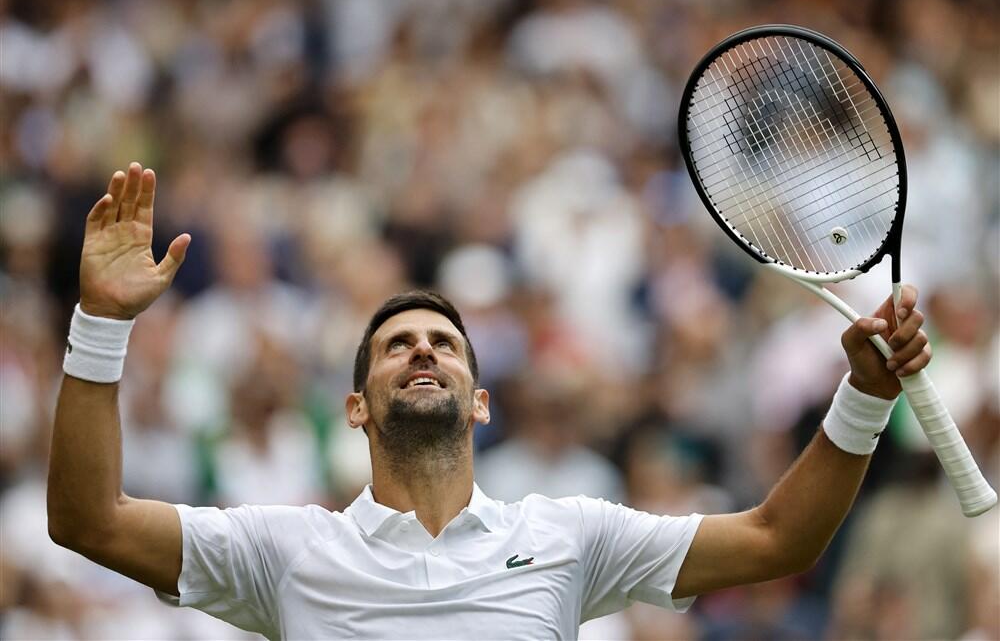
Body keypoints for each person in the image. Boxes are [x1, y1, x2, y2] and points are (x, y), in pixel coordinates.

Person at [48, 163, 933, 640]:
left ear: (480, 403)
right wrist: (100, 323)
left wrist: (864, 393)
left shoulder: (570, 536)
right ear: (356, 408)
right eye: (396, 344)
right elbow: (89, 520)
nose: (422, 348)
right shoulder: (284, 549)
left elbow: (780, 539)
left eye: (444, 342)